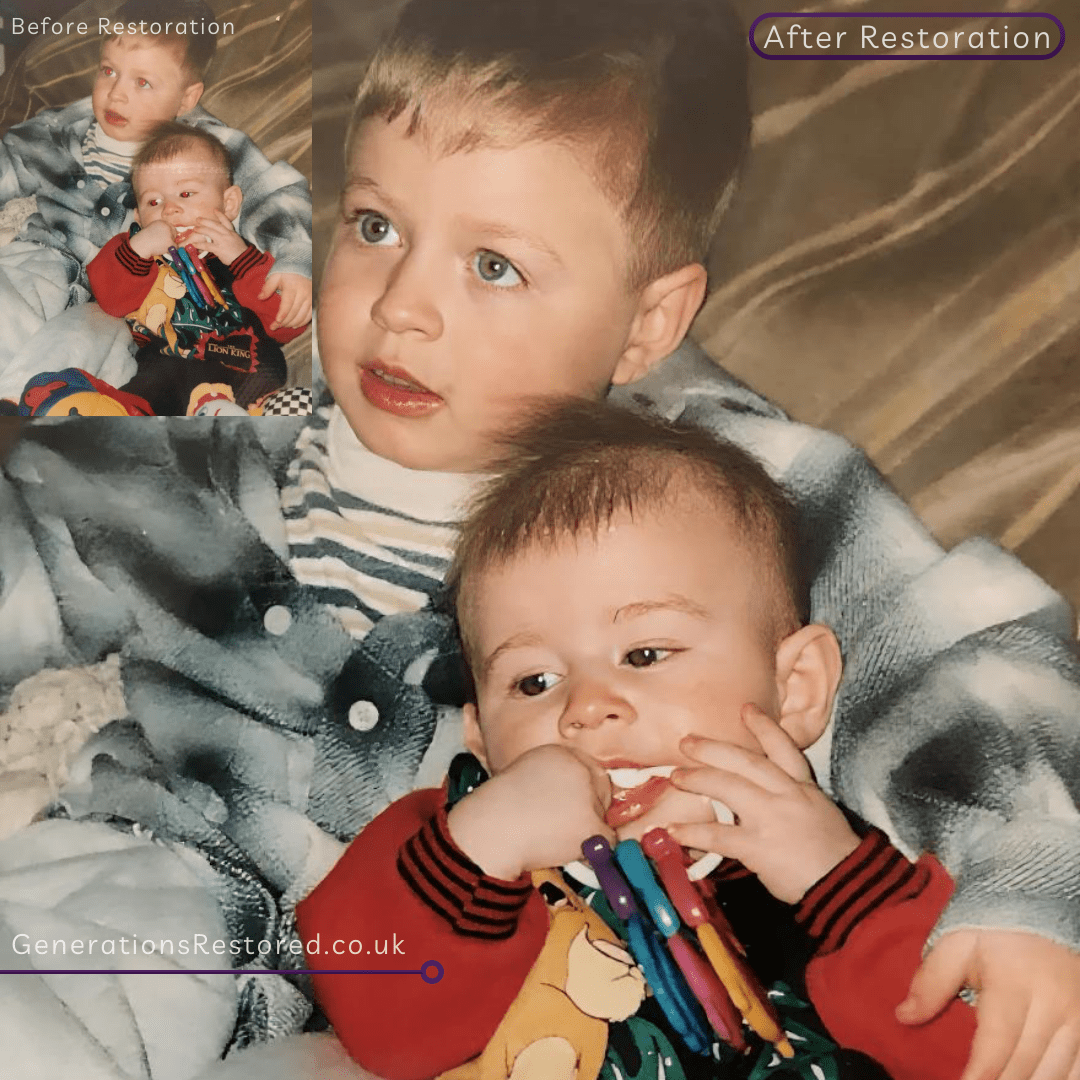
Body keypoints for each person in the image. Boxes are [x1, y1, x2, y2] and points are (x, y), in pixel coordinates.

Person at [0, 0, 1077, 1074]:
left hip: (500, 991)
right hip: (169, 865)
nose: (402, 305)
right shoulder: (225, 418)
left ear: (648, 322)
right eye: (376, 227)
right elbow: (40, 541)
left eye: (494, 265)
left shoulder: (728, 492)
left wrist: (1026, 884)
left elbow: (969, 665)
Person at [297, 398, 980, 1080]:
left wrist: (838, 885)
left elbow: (982, 1057)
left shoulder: (851, 882)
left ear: (795, 687)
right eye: (533, 682)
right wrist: (480, 847)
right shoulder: (451, 856)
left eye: (645, 654)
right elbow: (379, 1034)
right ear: (479, 736)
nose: (586, 710)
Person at [0, 0, 311, 374]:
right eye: (108, 71)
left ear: (187, 98)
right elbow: (9, 159)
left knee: (82, 370)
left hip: (124, 311)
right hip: (45, 257)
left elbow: (275, 193)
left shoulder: (209, 150)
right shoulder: (59, 130)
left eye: (142, 82)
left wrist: (295, 258)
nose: (116, 94)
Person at [84, 122, 307, 415]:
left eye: (186, 194)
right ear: (137, 214)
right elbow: (109, 300)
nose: (169, 209)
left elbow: (286, 323)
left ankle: (235, 413)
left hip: (242, 365)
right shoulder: (134, 254)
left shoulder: (246, 257)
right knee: (148, 383)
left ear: (228, 204)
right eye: (154, 201)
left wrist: (240, 258)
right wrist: (139, 247)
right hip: (166, 366)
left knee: (267, 372)